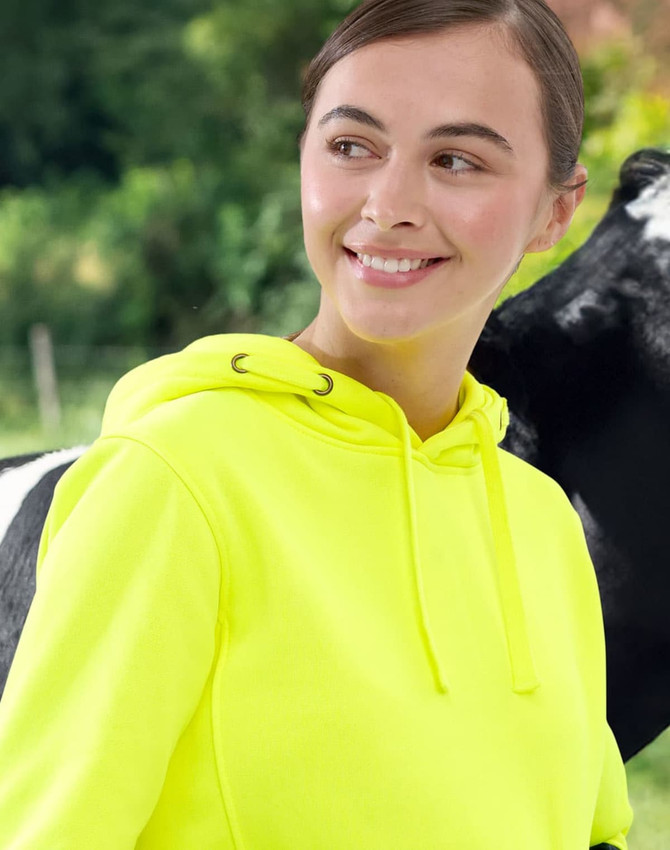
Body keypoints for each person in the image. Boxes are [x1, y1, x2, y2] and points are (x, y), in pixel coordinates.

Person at [0, 0, 633, 847]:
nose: (388, 203)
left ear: (556, 211)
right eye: (352, 146)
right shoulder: (176, 480)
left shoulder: (544, 524)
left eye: (456, 158)